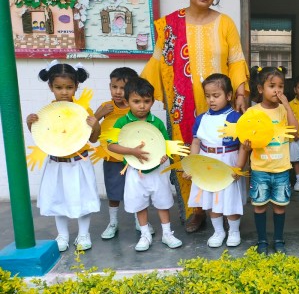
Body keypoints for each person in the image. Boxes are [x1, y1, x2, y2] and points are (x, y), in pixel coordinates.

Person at [141, 0, 249, 233]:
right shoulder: (170, 25)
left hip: (220, 106)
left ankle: (226, 210)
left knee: (222, 154)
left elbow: (236, 60)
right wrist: (139, 95)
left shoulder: (225, 23)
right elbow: (157, 61)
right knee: (188, 154)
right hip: (182, 105)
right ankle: (196, 210)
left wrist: (240, 91)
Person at [26, 62, 101, 252]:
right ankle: (63, 235)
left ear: (76, 86)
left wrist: (96, 125)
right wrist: (30, 123)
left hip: (79, 163)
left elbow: (93, 139)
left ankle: (83, 234)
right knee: (58, 199)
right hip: (56, 163)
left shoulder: (83, 110)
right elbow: (42, 137)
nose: (64, 92)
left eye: (69, 87)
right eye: (59, 88)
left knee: (83, 200)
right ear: (51, 87)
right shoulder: (48, 112)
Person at [107, 77, 183, 252]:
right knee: (139, 203)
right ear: (127, 101)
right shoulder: (121, 122)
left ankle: (167, 233)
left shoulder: (156, 122)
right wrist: (131, 151)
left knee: (163, 201)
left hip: (157, 171)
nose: (142, 106)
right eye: (136, 101)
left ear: (152, 101)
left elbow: (165, 145)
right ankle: (145, 234)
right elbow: (111, 145)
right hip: (135, 171)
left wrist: (164, 156)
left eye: (146, 101)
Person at [185, 74, 248, 248]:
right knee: (211, 198)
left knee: (230, 198)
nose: (211, 100)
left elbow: (243, 145)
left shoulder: (235, 118)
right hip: (206, 162)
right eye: (208, 96)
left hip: (228, 160)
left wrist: (239, 166)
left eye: (216, 95)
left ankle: (234, 231)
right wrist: (191, 165)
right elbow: (196, 142)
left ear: (228, 96)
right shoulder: (201, 119)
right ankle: (218, 231)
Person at [243, 66, 298, 255]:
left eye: (281, 86)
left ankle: (279, 240)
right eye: (272, 86)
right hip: (260, 168)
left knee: (280, 207)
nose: (277, 90)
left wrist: (287, 106)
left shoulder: (283, 110)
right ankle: (262, 241)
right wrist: (247, 145)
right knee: (259, 206)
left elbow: (295, 132)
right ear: (260, 89)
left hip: (281, 168)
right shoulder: (252, 112)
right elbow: (245, 137)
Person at [95, 67, 151, 240]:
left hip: (134, 157)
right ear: (110, 86)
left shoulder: (135, 106)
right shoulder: (106, 107)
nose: (118, 92)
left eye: (122, 88)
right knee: (113, 191)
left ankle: (139, 221)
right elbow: (92, 131)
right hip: (112, 157)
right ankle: (113, 222)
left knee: (137, 190)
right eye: (114, 87)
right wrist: (98, 115)